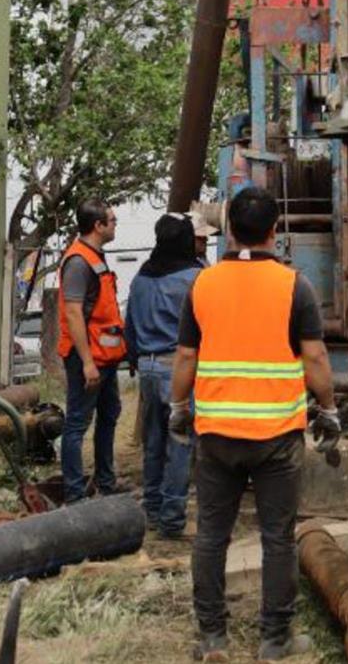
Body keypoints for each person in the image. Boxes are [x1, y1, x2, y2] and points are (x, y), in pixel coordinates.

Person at [169, 186, 342, 662]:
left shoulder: (202, 285)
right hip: (277, 437)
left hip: (217, 435)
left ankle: (212, 638)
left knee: (210, 536)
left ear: (228, 229)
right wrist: (328, 409)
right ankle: (274, 639)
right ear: (275, 231)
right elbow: (315, 357)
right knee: (277, 538)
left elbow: (186, 355)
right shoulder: (294, 286)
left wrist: (178, 408)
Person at [124, 214, 204, 539]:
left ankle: (152, 511)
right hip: (178, 369)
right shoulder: (196, 278)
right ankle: (173, 518)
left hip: (146, 368)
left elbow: (129, 325)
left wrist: (134, 360)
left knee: (153, 444)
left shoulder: (140, 278)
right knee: (181, 445)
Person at [57, 199, 127, 504]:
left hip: (103, 357)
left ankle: (105, 482)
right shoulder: (78, 262)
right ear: (97, 226)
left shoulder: (93, 257)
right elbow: (73, 314)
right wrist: (87, 362)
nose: (115, 225)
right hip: (87, 357)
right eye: (112, 220)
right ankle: (74, 494)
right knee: (76, 424)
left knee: (109, 414)